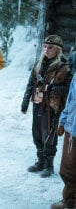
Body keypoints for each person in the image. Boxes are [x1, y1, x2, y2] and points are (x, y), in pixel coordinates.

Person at [21, 35, 72, 178]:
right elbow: (31, 83)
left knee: (48, 135)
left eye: (50, 47)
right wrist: (25, 101)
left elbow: (68, 90)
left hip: (52, 107)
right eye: (45, 46)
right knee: (36, 133)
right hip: (37, 103)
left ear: (57, 50)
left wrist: (51, 88)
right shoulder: (39, 63)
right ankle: (41, 161)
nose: (46, 49)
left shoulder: (64, 67)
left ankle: (49, 165)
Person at [50, 73, 76, 208]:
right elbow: (71, 99)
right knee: (68, 169)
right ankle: (69, 201)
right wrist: (63, 121)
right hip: (72, 130)